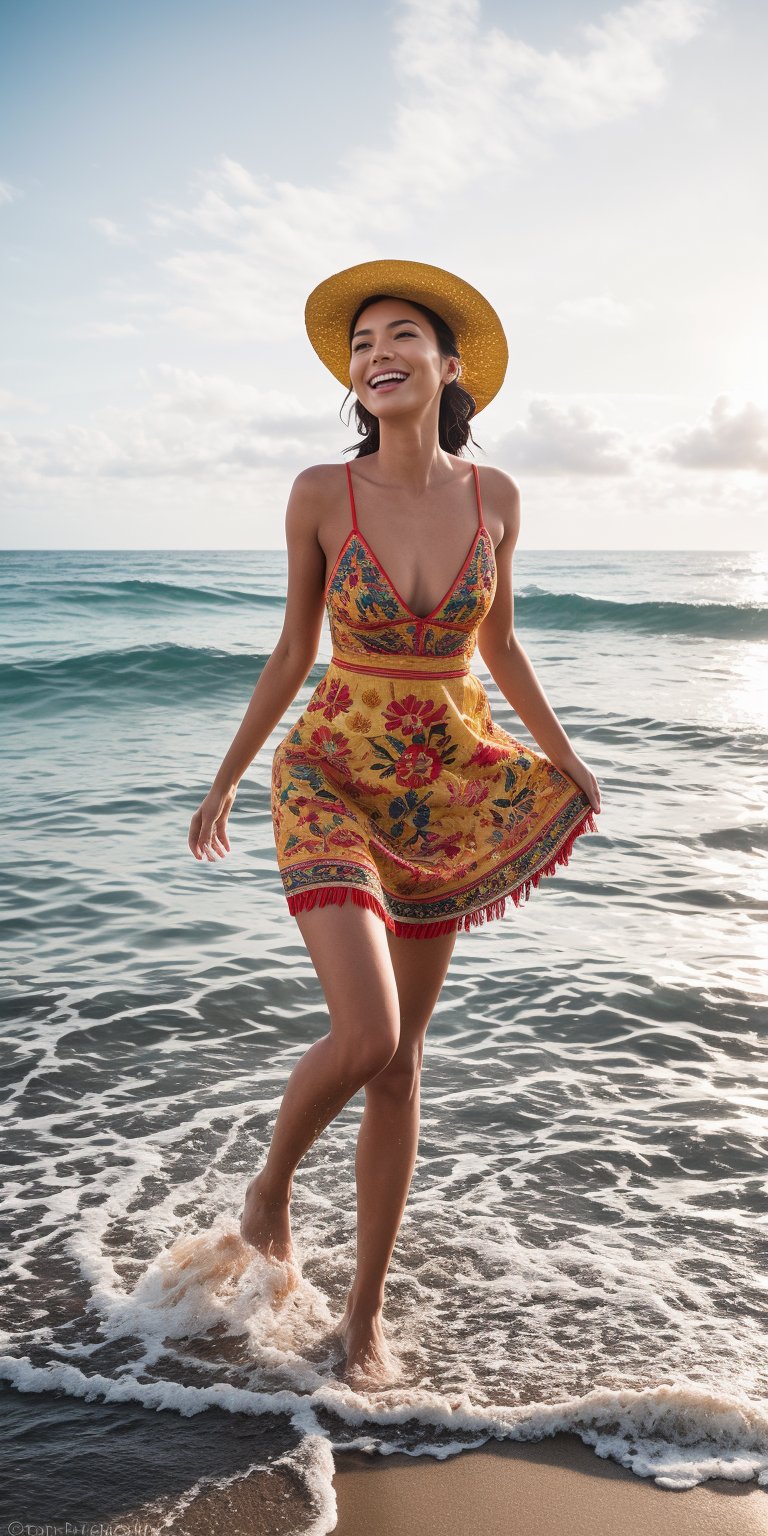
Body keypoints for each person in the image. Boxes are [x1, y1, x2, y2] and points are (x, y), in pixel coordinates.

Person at [187, 259, 601, 1382]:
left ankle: (360, 1318)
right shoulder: (321, 491)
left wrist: (562, 756)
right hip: (327, 772)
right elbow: (291, 647)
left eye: (402, 333)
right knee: (365, 1033)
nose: (378, 350)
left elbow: (502, 647)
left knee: (404, 1066)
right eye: (363, 338)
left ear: (447, 366)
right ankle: (271, 1184)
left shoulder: (498, 497)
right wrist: (227, 776)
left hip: (444, 786)